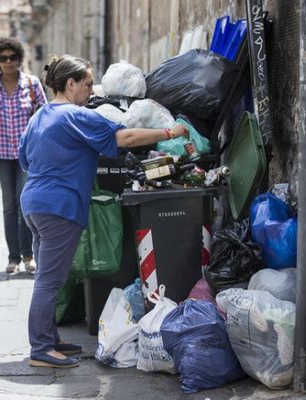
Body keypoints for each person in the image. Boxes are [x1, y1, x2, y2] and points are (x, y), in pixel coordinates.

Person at [18, 55, 189, 368]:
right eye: (86, 84)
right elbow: (126, 136)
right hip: (60, 206)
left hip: (33, 203)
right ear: (70, 84)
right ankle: (41, 349)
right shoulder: (76, 116)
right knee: (49, 279)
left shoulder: (40, 116)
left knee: (47, 276)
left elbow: (24, 160)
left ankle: (50, 339)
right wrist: (169, 133)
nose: (90, 91)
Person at [0, 37, 47, 274]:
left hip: (27, 156)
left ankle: (29, 255)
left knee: (24, 203)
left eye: (12, 57)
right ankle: (13, 256)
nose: (8, 62)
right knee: (8, 205)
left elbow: (45, 118)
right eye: (3, 58)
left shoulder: (32, 84)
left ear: (19, 59)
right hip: (2, 156)